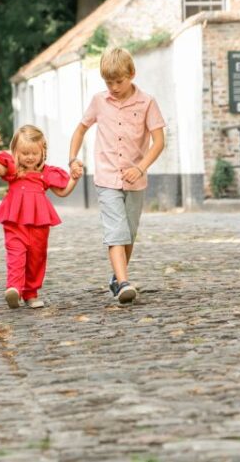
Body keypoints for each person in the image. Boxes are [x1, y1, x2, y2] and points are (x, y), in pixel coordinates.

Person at [68, 47, 165, 304]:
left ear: (132, 74)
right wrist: (73, 158)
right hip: (107, 178)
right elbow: (80, 130)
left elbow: (158, 142)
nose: (113, 87)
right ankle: (123, 282)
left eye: (118, 81)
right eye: (108, 82)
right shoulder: (99, 101)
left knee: (129, 234)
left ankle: (116, 278)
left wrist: (141, 167)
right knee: (116, 232)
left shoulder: (147, 102)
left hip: (135, 179)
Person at [0, 125, 78, 309]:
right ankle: (14, 288)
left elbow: (63, 192)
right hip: (15, 222)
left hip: (39, 223)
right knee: (16, 254)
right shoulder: (13, 170)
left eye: (34, 153)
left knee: (37, 257)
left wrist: (74, 178)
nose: (29, 157)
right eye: (25, 152)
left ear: (43, 151)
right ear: (15, 152)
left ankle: (31, 292)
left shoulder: (46, 173)